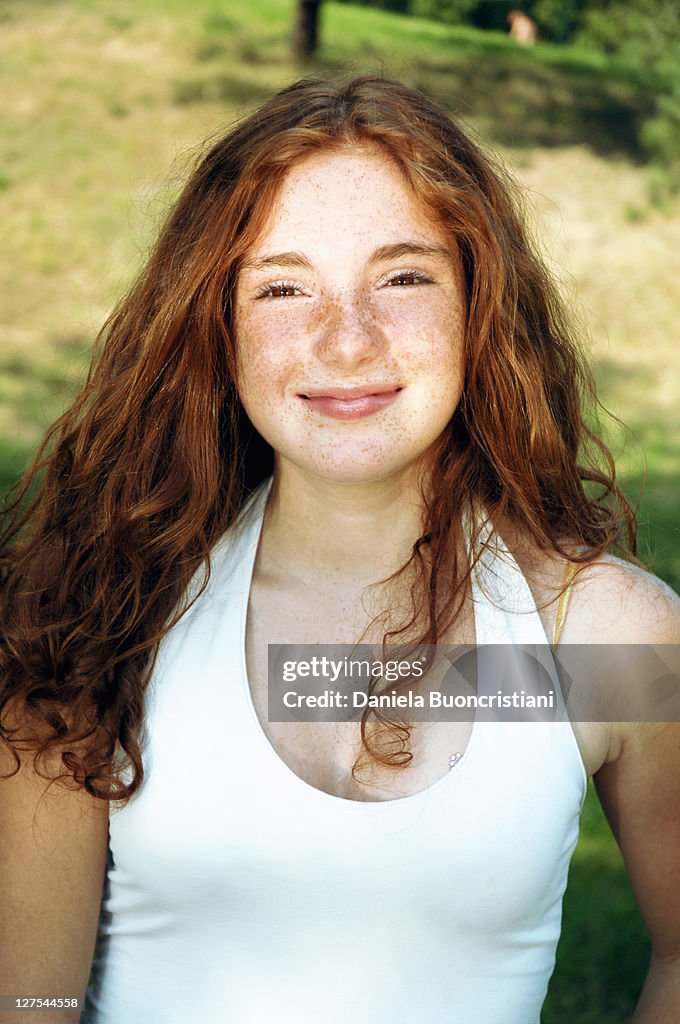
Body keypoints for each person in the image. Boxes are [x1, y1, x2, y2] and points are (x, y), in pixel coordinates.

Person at [0, 75, 678, 1024]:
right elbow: (27, 1003)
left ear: (478, 302)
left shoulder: (599, 640)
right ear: (216, 324)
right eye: (283, 287)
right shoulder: (107, 609)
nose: (347, 340)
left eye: (402, 277)